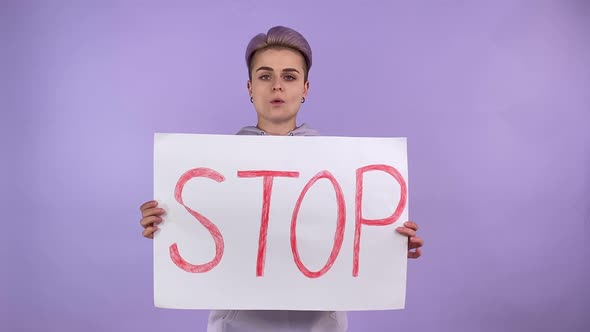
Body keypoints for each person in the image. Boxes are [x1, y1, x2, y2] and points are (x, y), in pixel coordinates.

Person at [139, 26, 424, 332]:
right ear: (250, 87)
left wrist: (386, 246)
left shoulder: (340, 168)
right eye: (265, 76)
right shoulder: (213, 168)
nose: (277, 86)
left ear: (305, 88)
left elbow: (350, 240)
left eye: (289, 77)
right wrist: (166, 221)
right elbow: (199, 238)